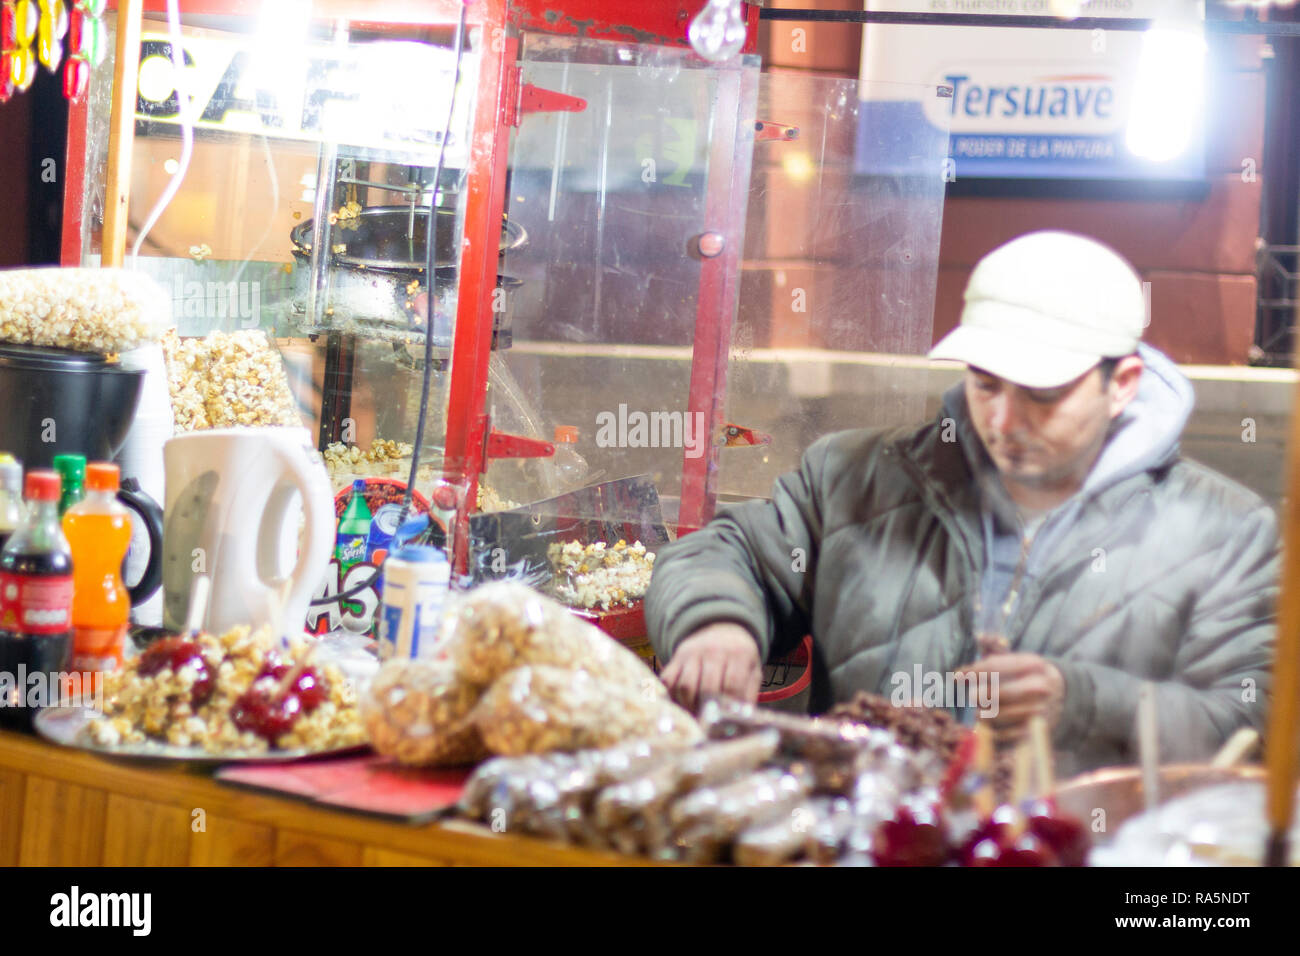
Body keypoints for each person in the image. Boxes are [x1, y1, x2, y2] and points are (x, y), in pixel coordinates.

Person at [646, 231, 1279, 775]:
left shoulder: (1226, 533)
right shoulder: (855, 477)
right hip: (876, 839)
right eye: (985, 383)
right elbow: (728, 556)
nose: (1002, 419)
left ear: (1123, 385)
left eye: (1040, 394)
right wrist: (715, 622)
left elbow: (1258, 721)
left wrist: (1085, 703)